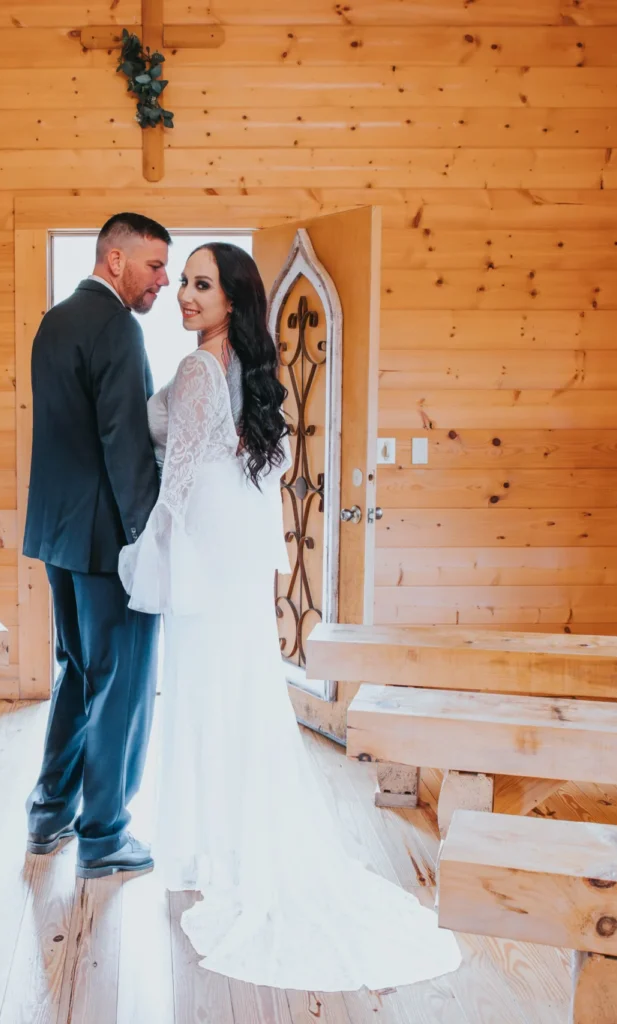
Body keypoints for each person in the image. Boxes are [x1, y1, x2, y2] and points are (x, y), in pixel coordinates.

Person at [118, 242, 464, 991]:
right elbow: (263, 476)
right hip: (236, 557)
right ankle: (230, 838)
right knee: (238, 697)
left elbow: (174, 486)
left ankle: (208, 845)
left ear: (233, 300)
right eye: (181, 281)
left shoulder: (199, 371)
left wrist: (145, 559)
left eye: (201, 285)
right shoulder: (251, 376)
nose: (184, 294)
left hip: (205, 560)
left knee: (207, 697)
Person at [22, 212, 172, 880]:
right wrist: (149, 542)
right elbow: (125, 444)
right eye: (154, 265)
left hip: (58, 533)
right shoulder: (116, 327)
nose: (164, 280)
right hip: (110, 540)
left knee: (79, 672)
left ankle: (49, 810)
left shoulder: (55, 321)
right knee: (123, 683)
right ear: (116, 259)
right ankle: (105, 833)